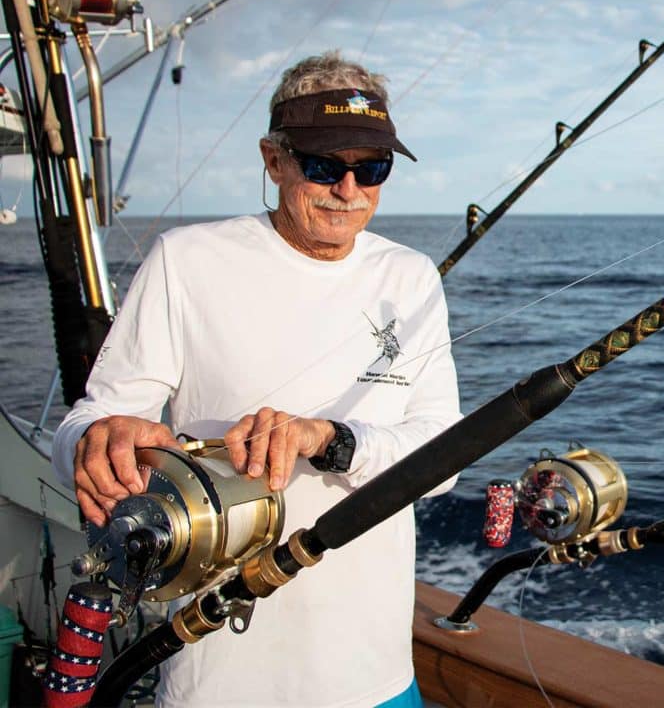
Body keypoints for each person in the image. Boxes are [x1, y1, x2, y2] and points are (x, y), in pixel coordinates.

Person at [52, 51, 462, 708]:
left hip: (374, 674)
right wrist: (95, 439)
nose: (349, 191)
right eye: (325, 166)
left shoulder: (411, 277)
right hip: (217, 675)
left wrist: (329, 438)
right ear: (274, 160)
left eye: (372, 168)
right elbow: (91, 415)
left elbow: (444, 458)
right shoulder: (186, 261)